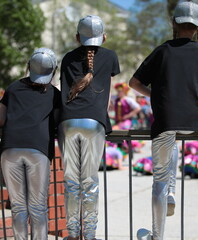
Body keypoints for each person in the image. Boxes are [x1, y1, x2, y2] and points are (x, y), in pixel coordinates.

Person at [129, 2, 198, 239]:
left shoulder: (162, 50)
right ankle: (172, 191)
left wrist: (154, 94)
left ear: (174, 24)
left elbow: (134, 83)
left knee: (158, 180)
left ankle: (157, 235)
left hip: (166, 120)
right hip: (192, 122)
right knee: (174, 142)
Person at [57, 15, 120, 240]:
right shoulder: (111, 56)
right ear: (104, 36)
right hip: (94, 122)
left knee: (72, 182)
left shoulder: (66, 58)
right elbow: (108, 95)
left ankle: (73, 235)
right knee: (90, 182)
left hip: (67, 122)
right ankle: (90, 235)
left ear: (77, 37)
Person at [0, 48, 59, 240]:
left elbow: (0, 121)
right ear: (53, 70)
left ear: (28, 67)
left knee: (18, 207)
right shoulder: (54, 94)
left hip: (10, 148)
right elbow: (56, 124)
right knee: (38, 207)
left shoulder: (12, 88)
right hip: (38, 149)